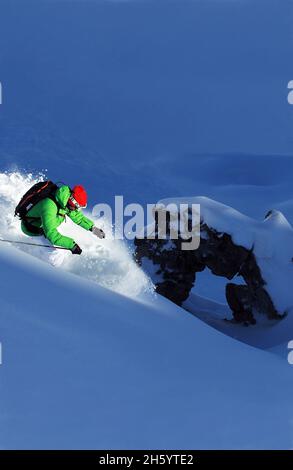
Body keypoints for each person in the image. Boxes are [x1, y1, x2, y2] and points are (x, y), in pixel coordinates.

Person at [20, 184, 105, 264]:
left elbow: (78, 218)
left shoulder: (65, 201)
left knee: (62, 248)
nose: (77, 209)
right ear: (72, 201)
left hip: (47, 225)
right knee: (56, 257)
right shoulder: (49, 206)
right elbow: (52, 234)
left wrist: (93, 229)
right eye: (77, 207)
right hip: (33, 229)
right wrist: (72, 245)